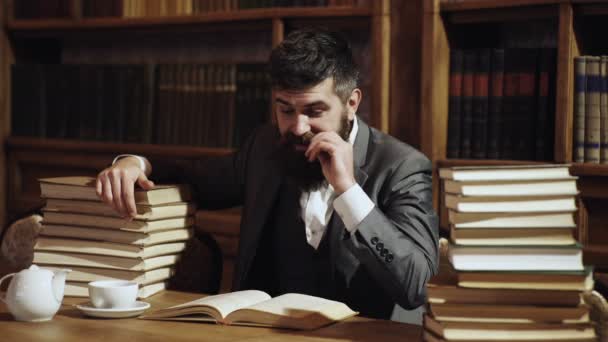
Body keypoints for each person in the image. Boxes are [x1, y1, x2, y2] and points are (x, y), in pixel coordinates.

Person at [96, 28, 439, 320]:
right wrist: (135, 164)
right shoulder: (264, 146)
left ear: (352, 103)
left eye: (314, 111)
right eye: (285, 109)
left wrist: (348, 189)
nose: (298, 127)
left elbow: (415, 286)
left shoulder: (402, 167)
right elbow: (195, 177)